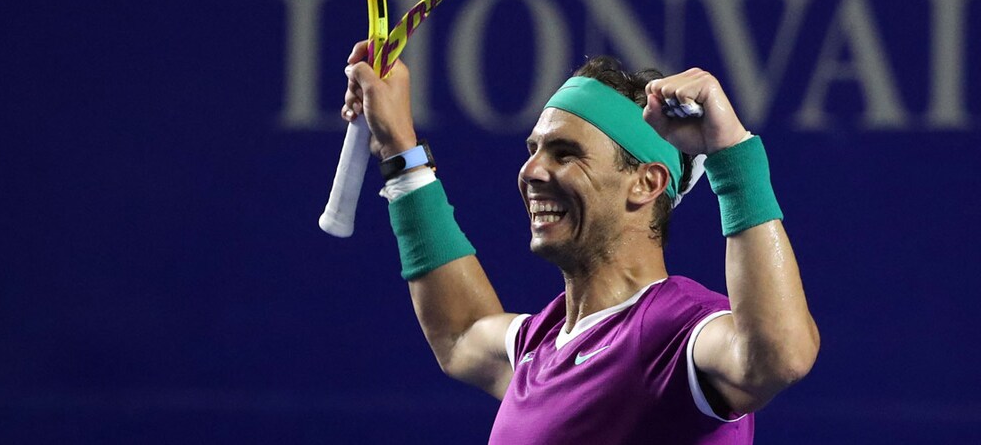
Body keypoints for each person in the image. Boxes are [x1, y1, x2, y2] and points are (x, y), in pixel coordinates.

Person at [340, 40, 819, 444]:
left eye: (565, 154)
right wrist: (399, 148)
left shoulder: (677, 330)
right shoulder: (540, 343)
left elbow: (779, 357)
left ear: (646, 183)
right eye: (533, 150)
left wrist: (732, 155)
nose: (531, 171)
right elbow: (460, 332)